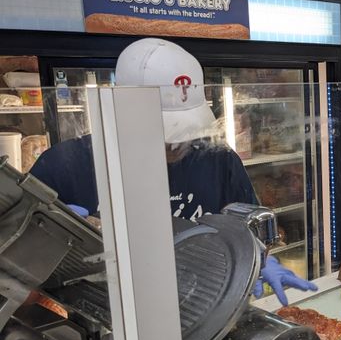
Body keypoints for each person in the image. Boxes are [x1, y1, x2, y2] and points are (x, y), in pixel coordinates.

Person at [30, 38, 316, 305]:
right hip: (110, 318)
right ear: (122, 112)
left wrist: (258, 260)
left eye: (187, 128)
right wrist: (53, 240)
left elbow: (245, 228)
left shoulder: (217, 159)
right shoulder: (64, 168)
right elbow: (22, 274)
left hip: (201, 306)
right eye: (166, 130)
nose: (179, 143)